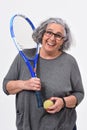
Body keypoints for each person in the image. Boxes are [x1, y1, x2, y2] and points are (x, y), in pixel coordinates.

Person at [3, 17, 84, 130]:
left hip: (61, 127)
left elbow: (79, 93)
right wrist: (24, 84)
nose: (52, 38)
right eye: (49, 32)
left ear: (63, 41)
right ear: (42, 34)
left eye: (58, 35)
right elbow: (6, 86)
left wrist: (63, 102)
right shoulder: (24, 56)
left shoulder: (69, 62)